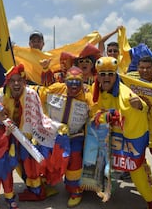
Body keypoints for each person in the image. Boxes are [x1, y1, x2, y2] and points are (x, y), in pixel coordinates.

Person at [92, 56, 152, 209]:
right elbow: (92, 112)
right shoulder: (94, 92)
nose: (106, 77)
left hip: (126, 139)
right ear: (98, 76)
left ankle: (151, 198)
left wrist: (140, 106)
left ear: (116, 75)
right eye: (103, 74)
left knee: (137, 170)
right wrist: (105, 117)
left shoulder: (125, 92)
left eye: (110, 74)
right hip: (106, 139)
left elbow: (141, 107)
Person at [2, 64, 70, 204]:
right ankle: (33, 187)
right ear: (8, 82)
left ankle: (38, 190)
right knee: (18, 165)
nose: (16, 83)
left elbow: (39, 117)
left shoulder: (31, 94)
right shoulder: (2, 94)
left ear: (24, 81)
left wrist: (55, 128)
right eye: (12, 80)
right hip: (11, 137)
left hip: (29, 137)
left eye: (19, 80)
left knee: (30, 164)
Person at [33, 66, 94, 207]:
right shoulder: (55, 88)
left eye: (77, 81)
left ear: (83, 81)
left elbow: (96, 110)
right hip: (53, 134)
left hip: (75, 135)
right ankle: (48, 182)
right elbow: (37, 94)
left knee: (74, 158)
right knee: (45, 157)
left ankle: (75, 190)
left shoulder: (88, 95)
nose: (74, 85)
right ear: (65, 80)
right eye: (70, 81)